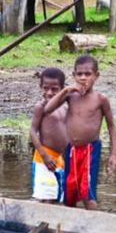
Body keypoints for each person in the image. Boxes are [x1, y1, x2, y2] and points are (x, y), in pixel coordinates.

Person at [43, 55, 116, 209]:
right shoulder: (70, 96)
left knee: (87, 194)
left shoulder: (100, 99)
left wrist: (113, 154)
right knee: (69, 194)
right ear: (74, 75)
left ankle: (93, 225)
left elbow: (111, 126)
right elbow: (48, 109)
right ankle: (69, 227)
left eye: (88, 74)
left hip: (91, 150)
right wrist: (66, 89)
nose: (83, 78)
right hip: (71, 150)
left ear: (96, 76)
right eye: (79, 74)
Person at [30, 67, 69, 202]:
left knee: (58, 196)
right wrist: (44, 155)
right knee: (46, 196)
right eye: (46, 88)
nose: (49, 93)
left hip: (60, 159)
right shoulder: (41, 107)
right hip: (44, 158)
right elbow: (32, 131)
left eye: (54, 89)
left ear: (62, 89)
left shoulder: (65, 106)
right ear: (41, 87)